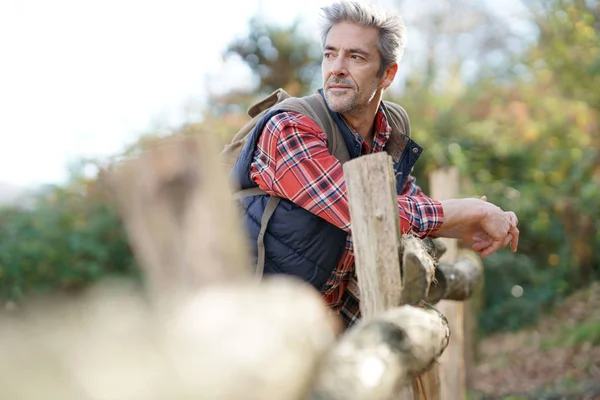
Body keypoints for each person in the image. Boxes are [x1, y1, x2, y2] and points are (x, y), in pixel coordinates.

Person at [230, 0, 519, 328]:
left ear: (388, 74)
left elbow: (410, 207)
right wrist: (467, 212)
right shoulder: (289, 127)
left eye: (355, 56)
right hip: (257, 324)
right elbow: (362, 212)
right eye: (330, 53)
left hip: (328, 324)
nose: (337, 67)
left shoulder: (391, 128)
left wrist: (478, 219)